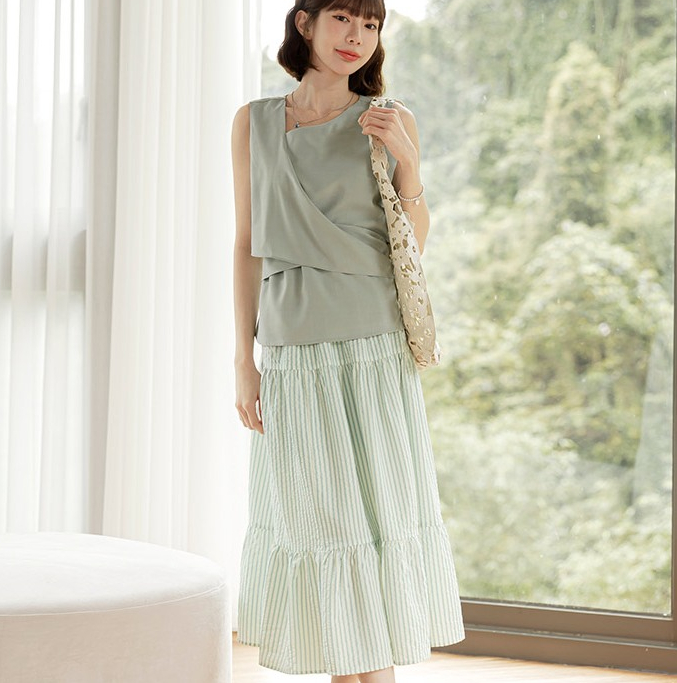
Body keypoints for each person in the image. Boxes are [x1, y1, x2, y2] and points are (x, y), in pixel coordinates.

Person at [231, 1, 465, 680]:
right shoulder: (252, 122)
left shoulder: (389, 119)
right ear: (305, 23)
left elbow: (411, 246)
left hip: (372, 348)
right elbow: (246, 245)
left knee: (378, 528)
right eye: (343, 18)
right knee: (323, 529)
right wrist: (243, 359)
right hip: (292, 350)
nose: (357, 36)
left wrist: (408, 164)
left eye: (370, 24)